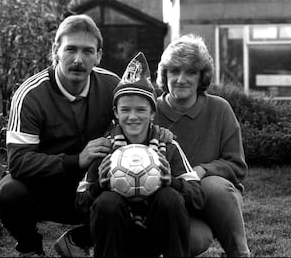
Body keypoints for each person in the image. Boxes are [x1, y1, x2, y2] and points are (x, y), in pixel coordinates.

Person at [0, 14, 121, 256]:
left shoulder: (112, 86)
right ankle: (30, 248)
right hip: (46, 189)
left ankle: (79, 239)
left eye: (88, 51)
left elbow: (135, 130)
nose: (78, 60)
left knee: (138, 184)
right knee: (8, 192)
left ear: (99, 55)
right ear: (56, 51)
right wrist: (76, 160)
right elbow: (19, 162)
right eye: (70, 49)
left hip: (93, 186)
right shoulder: (30, 94)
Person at [75, 52, 206, 257]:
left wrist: (172, 182)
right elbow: (80, 203)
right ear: (116, 113)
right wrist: (98, 186)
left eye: (141, 110)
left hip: (156, 235)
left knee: (169, 197)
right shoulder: (105, 149)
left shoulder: (168, 146)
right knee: (107, 202)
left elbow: (198, 197)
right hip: (115, 237)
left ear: (153, 113)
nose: (133, 116)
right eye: (125, 109)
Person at [154, 34, 251, 257]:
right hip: (170, 200)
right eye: (174, 71)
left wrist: (202, 171)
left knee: (213, 185)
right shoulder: (150, 112)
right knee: (195, 239)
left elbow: (237, 166)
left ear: (202, 77)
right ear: (164, 74)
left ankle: (240, 252)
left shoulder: (220, 109)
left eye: (190, 72)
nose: (181, 79)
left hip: (213, 199)